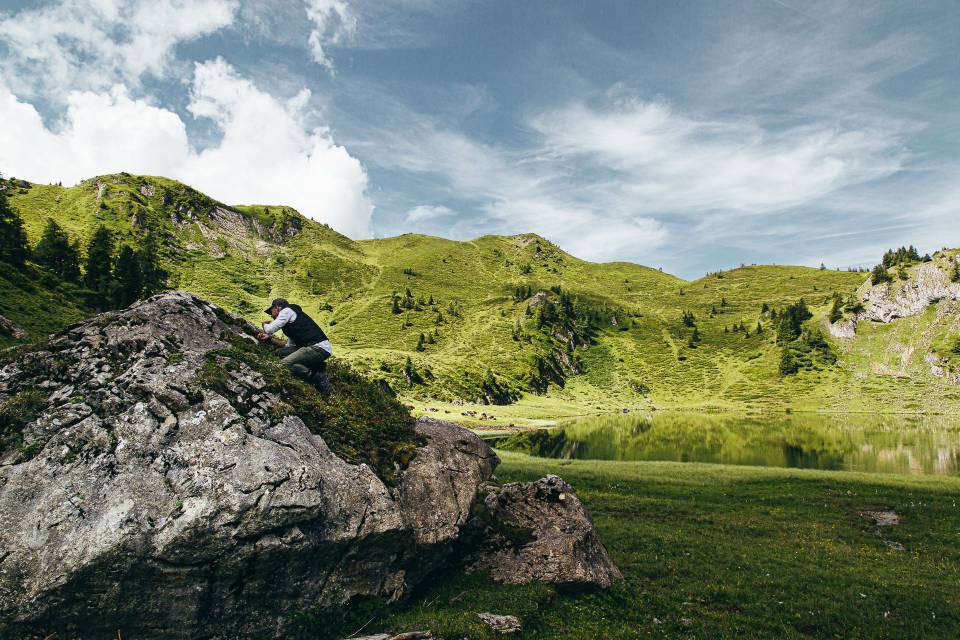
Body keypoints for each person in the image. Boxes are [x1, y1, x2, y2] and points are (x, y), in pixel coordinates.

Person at [257, 298, 332, 395]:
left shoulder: (287, 311)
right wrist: (269, 339)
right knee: (279, 353)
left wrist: (264, 325)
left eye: (271, 311)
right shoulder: (290, 323)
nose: (271, 315)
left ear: (278, 308)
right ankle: (316, 365)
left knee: (284, 364)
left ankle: (316, 377)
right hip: (311, 347)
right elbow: (288, 345)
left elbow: (269, 329)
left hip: (318, 347)